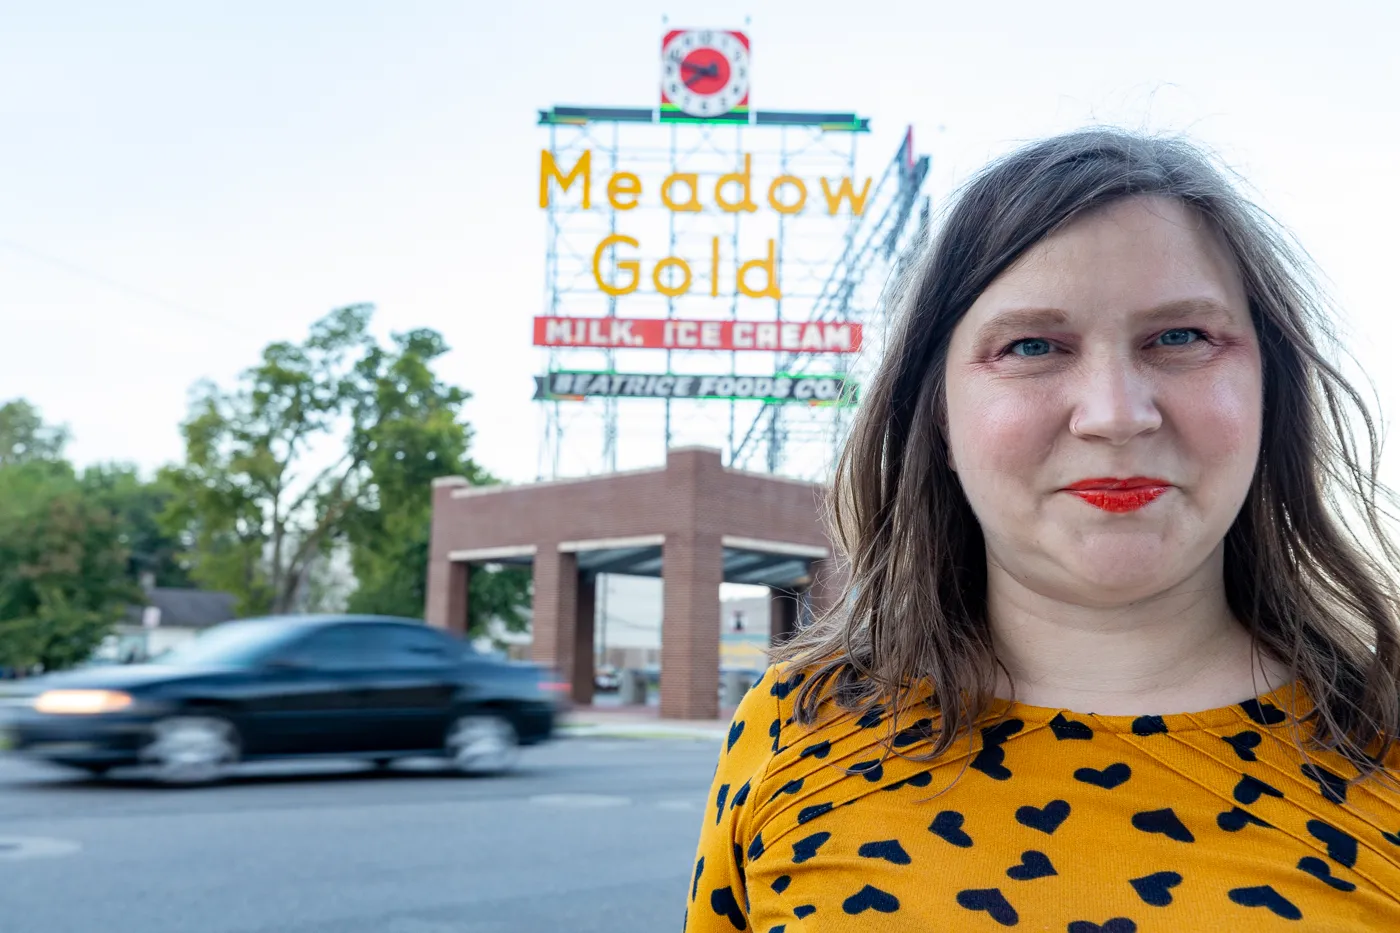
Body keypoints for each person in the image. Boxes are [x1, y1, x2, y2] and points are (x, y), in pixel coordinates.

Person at [684, 128, 1400, 932]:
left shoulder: (1388, 743)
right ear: (939, 417)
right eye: (1031, 345)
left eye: (1180, 337)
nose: (1116, 414)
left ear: (1272, 393)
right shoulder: (797, 726)